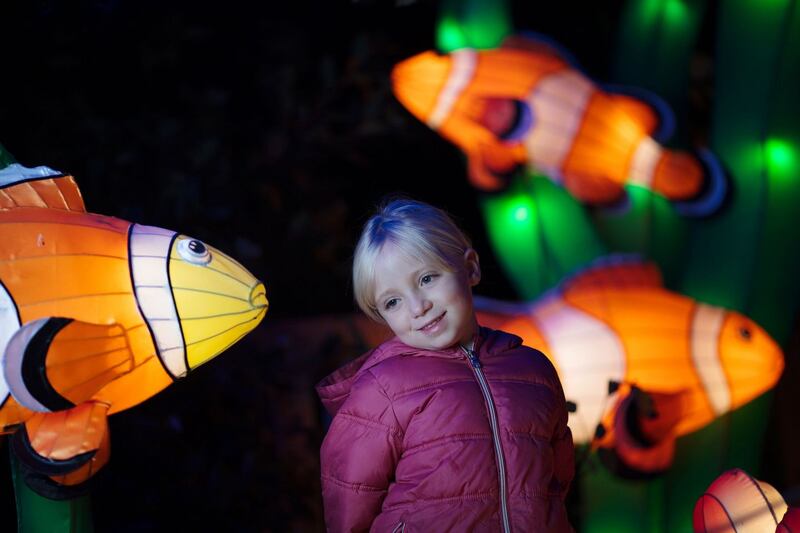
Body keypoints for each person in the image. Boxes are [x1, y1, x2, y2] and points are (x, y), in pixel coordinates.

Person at [317, 198, 574, 532]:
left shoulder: (534, 372)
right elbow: (350, 503)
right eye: (393, 301)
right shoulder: (382, 389)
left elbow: (554, 484)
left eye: (427, 279)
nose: (418, 307)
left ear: (470, 268)